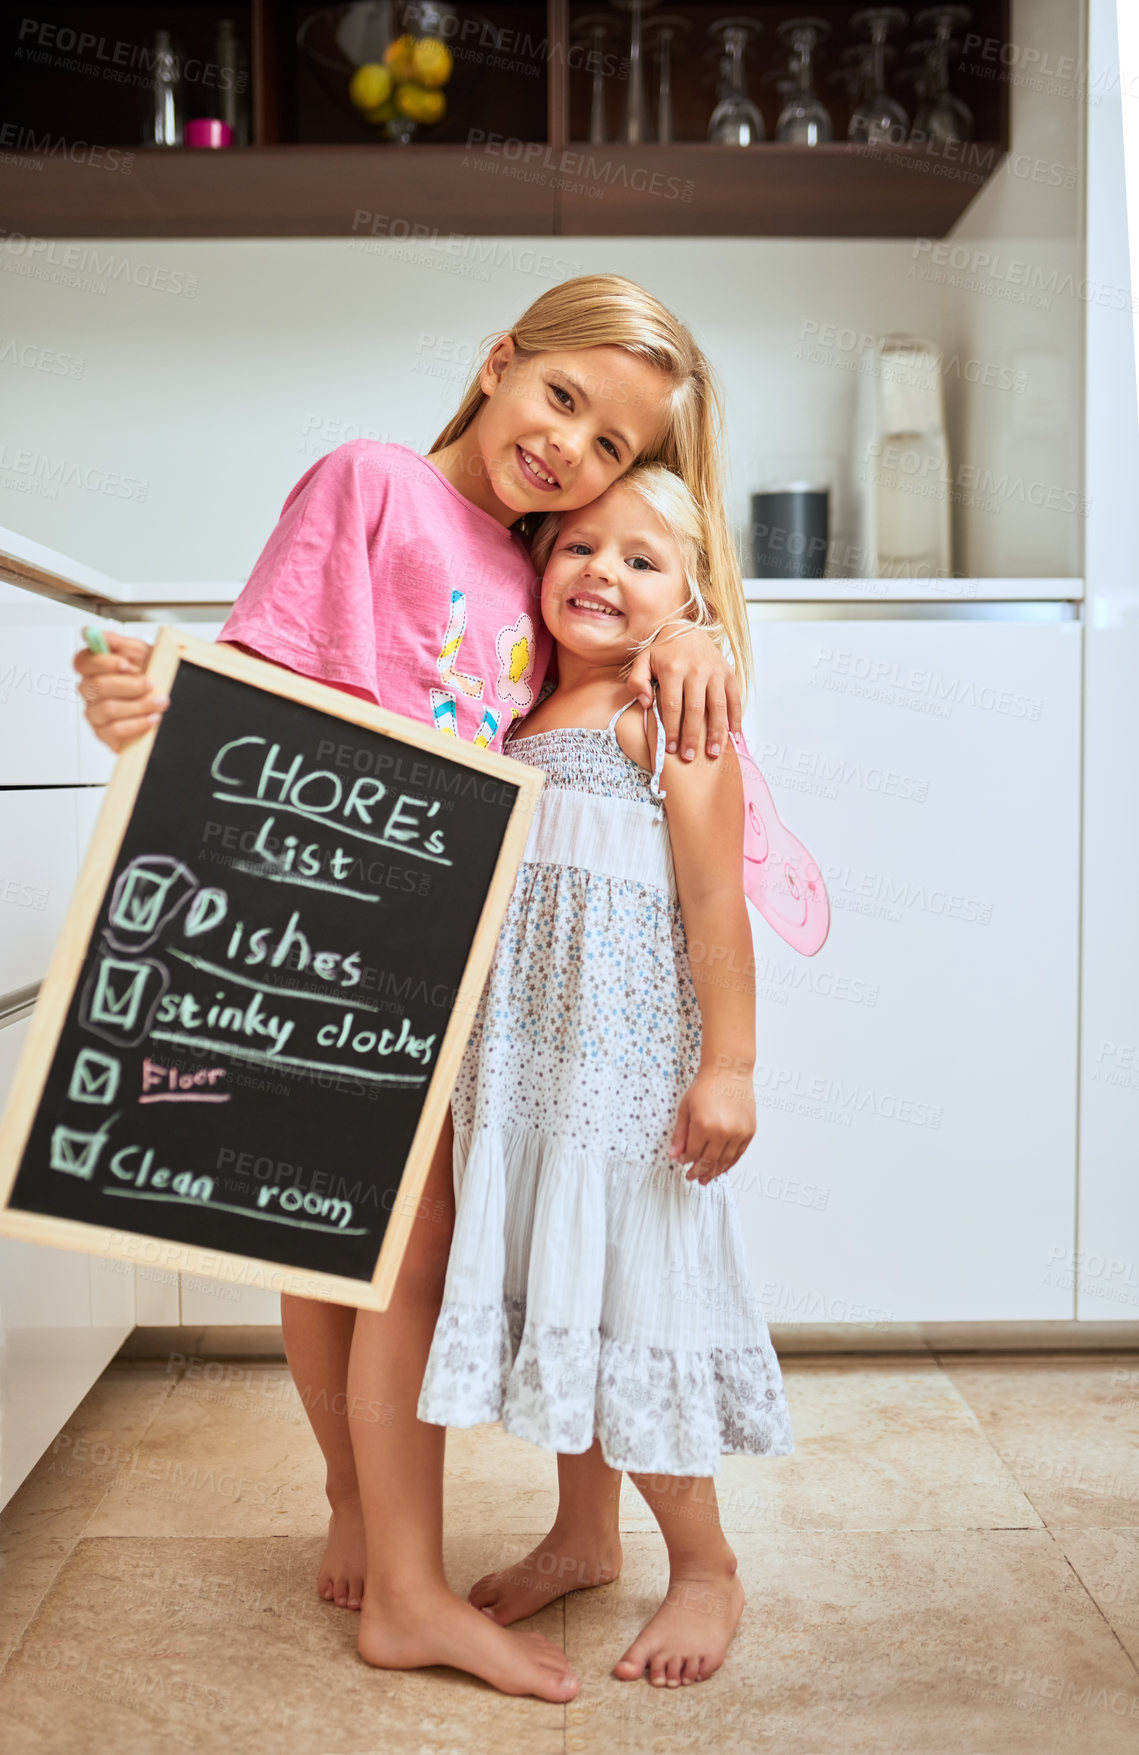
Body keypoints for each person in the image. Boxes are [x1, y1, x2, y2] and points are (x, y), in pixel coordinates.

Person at [72, 275, 745, 1702]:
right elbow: (260, 676)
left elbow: (610, 692)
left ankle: (390, 1541)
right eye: (562, 398)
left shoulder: (531, 566)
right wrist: (152, 700)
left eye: (613, 444)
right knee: (343, 1241)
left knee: (388, 1249)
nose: (571, 448)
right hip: (312, 918)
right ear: (499, 362)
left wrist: (691, 632)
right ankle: (386, 1539)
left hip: (439, 953)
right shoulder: (372, 481)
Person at [418, 464, 794, 1689]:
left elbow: (712, 907)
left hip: (627, 1091)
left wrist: (727, 1067)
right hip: (524, 1078)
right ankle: (583, 1535)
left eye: (644, 562)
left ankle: (704, 1565)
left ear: (690, 599)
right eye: (580, 546)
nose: (603, 574)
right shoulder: (515, 712)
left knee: (633, 1306)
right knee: (564, 1297)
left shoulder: (662, 722)